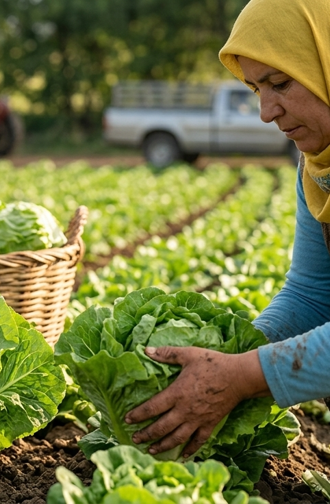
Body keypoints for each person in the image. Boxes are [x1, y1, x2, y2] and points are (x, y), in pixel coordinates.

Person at [122, 0, 330, 459]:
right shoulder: (318, 170)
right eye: (255, 88)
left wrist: (244, 374)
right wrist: (226, 353)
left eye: (279, 83)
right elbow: (313, 294)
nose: (265, 111)